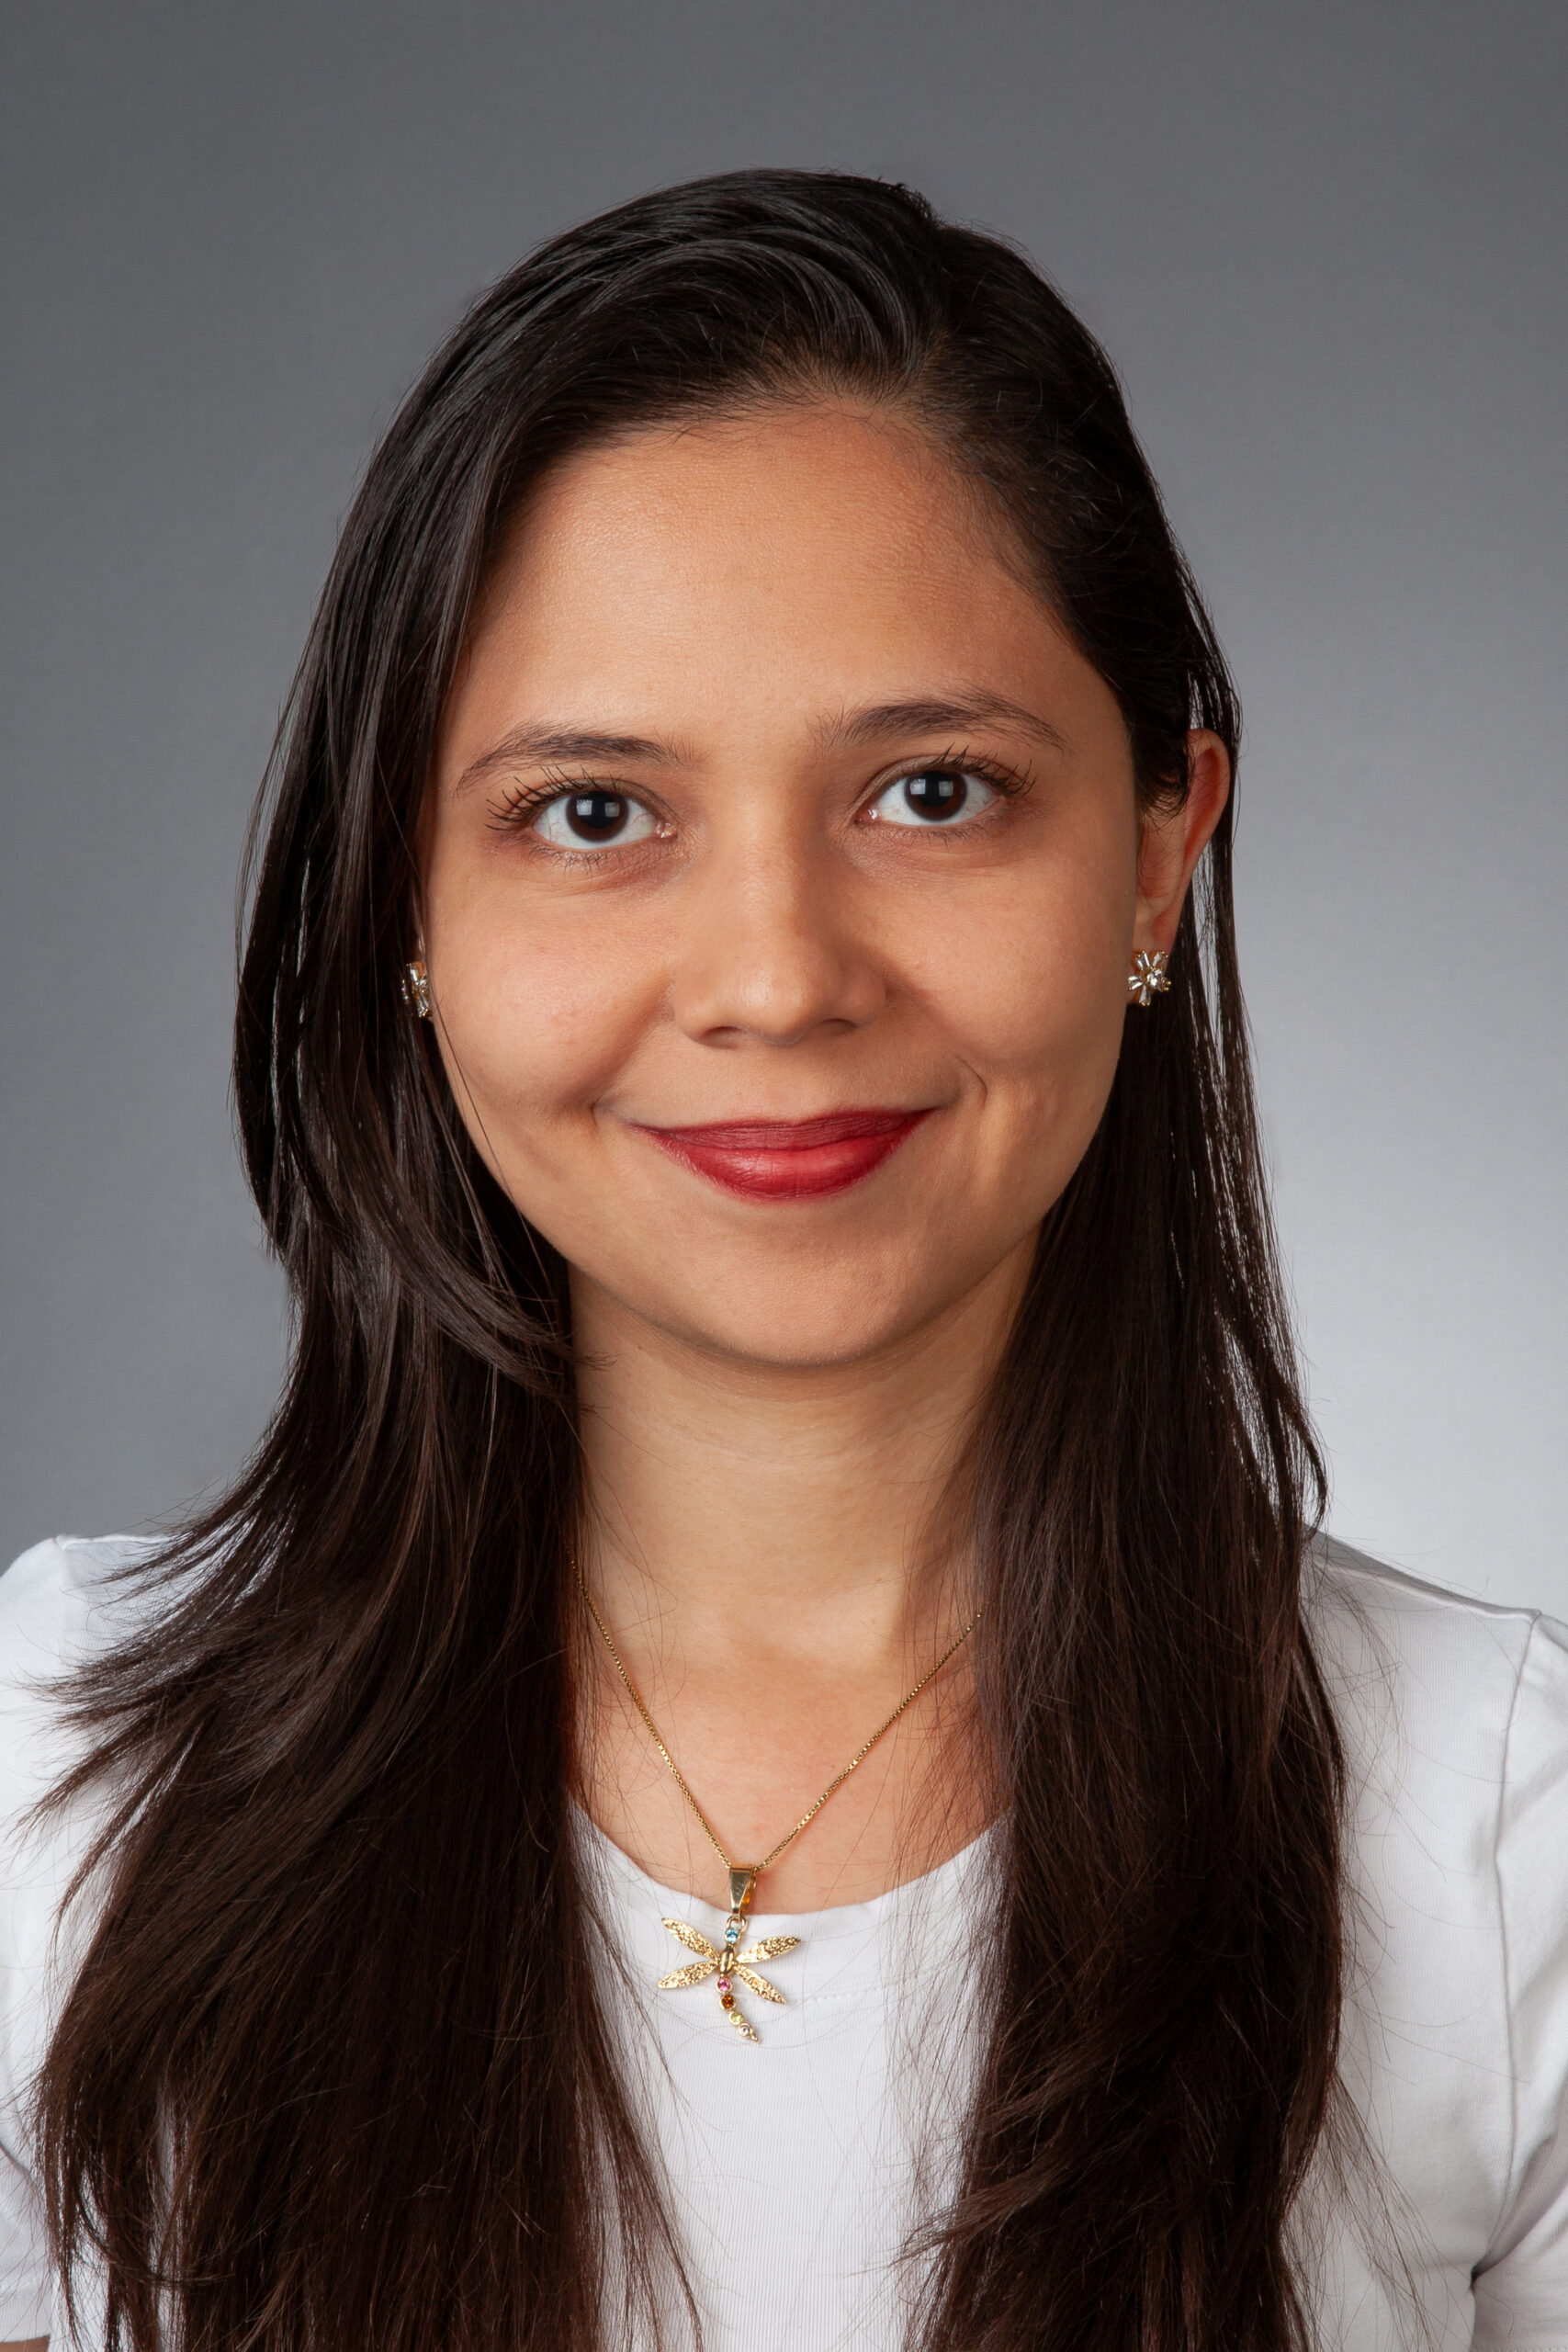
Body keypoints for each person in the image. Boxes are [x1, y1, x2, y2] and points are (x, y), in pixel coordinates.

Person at [1, 168, 1564, 2352]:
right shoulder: (48, 1784)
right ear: (404, 912)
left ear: (1154, 848)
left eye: (929, 790)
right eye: (592, 811)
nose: (771, 978)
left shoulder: (1502, 1823)